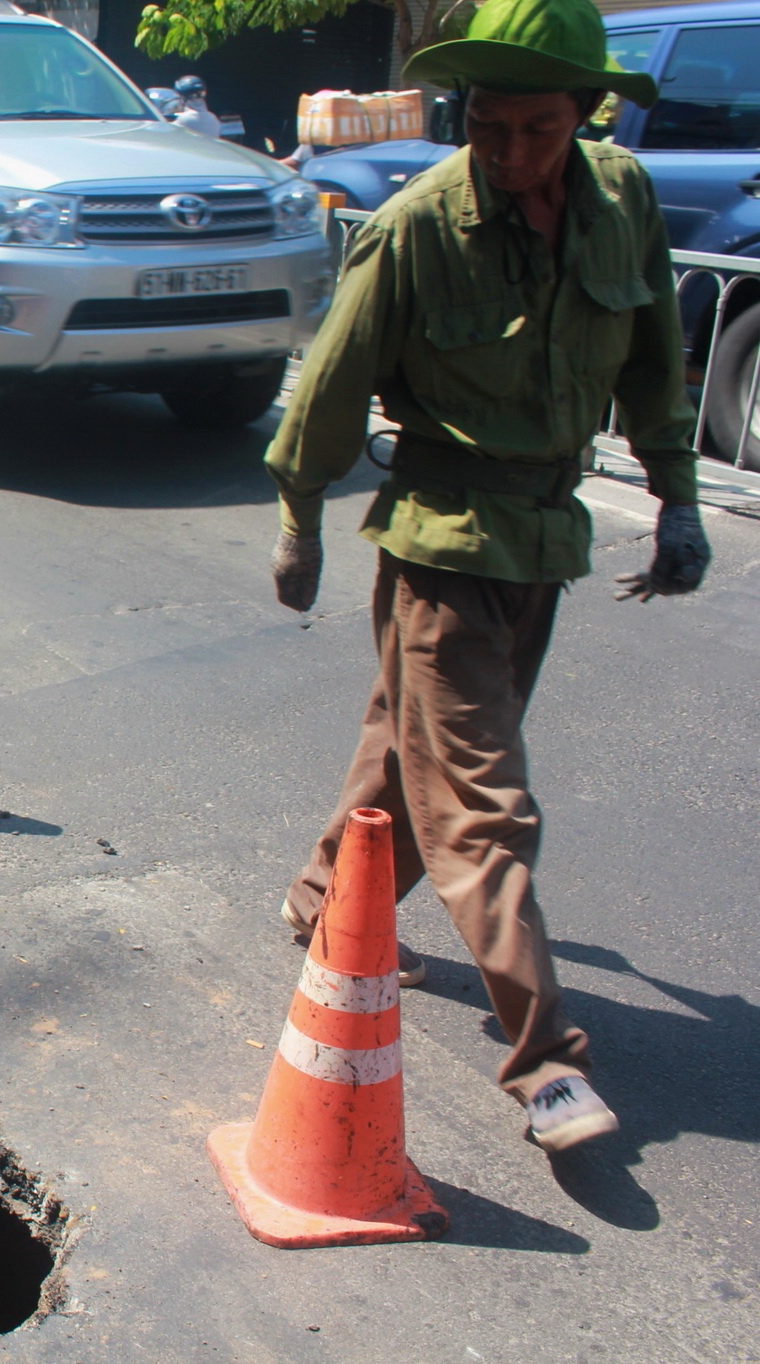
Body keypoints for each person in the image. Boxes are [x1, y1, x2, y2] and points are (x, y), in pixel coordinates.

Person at [264, 0, 709, 1154]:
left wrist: (676, 498)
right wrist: (298, 522)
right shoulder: (417, 226)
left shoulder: (622, 201)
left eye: (536, 129)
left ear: (584, 116)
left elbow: (652, 358)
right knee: (479, 801)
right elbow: (331, 379)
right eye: (485, 125)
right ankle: (544, 1059)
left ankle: (318, 901)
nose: (506, 151)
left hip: (543, 536)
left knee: (403, 749)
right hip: (441, 539)